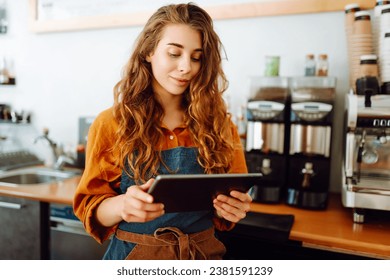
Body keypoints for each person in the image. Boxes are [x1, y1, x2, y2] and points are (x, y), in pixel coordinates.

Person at [73, 2, 252, 260]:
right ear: (148, 52)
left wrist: (233, 209)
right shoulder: (111, 123)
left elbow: (232, 199)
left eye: (196, 57)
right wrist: (123, 205)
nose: (186, 67)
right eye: (174, 53)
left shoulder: (220, 125)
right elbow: (90, 207)